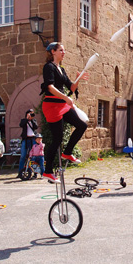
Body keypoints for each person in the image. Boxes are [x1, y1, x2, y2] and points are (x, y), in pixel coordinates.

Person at [40, 42, 89, 183]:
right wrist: (66, 98)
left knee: (81, 126)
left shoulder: (61, 69)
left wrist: (78, 79)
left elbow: (71, 87)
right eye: (61, 50)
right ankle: (48, 171)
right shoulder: (48, 67)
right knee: (57, 139)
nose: (64, 52)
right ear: (53, 52)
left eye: (64, 50)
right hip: (51, 106)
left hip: (62, 105)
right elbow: (49, 87)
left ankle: (67, 153)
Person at [17, 109, 38, 179]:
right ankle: (20, 173)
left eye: (32, 114)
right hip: (25, 139)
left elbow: (36, 127)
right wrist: (27, 119)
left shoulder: (34, 121)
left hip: (33, 139)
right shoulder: (23, 120)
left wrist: (31, 119)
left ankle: (35, 173)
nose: (31, 115)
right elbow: (21, 125)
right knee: (23, 156)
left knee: (34, 156)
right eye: (30, 114)